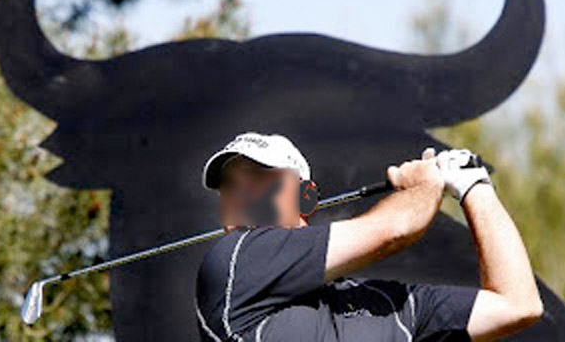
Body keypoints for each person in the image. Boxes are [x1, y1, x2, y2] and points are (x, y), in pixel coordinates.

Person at [195, 132, 543, 341]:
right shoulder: (234, 264)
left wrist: (474, 186)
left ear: (306, 197)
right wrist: (427, 185)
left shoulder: (387, 308)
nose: (239, 192)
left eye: (259, 176)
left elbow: (518, 305)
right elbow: (398, 227)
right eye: (228, 184)